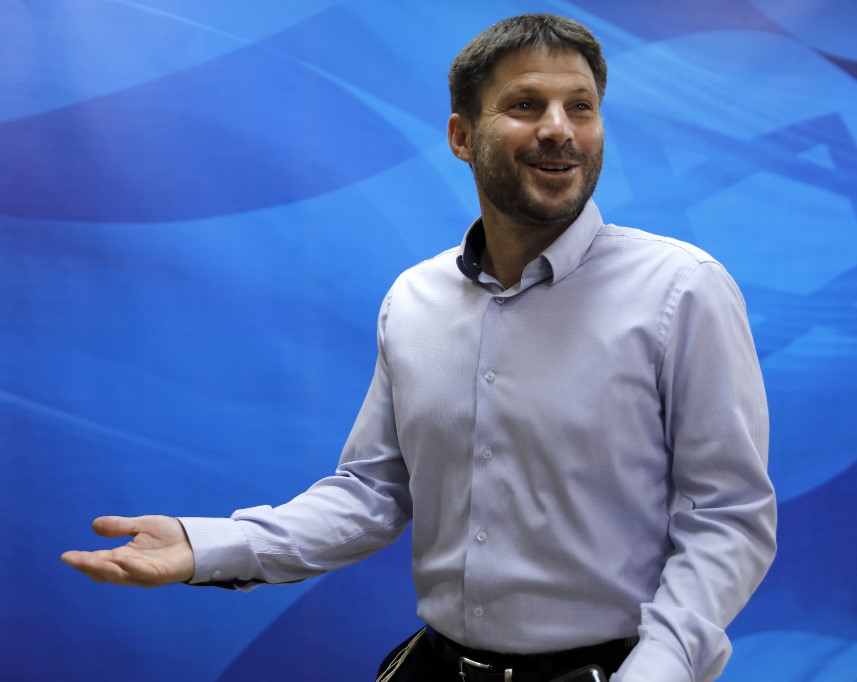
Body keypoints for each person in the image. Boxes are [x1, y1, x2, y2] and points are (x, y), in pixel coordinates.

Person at [62, 14, 776, 682]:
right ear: (462, 137)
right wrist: (206, 548)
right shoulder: (414, 299)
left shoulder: (683, 290)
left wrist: (657, 671)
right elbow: (374, 493)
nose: (560, 130)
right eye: (526, 105)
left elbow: (728, 516)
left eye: (580, 107)